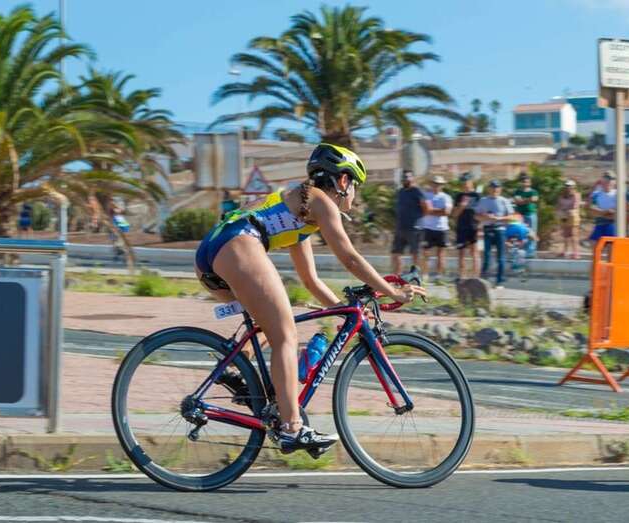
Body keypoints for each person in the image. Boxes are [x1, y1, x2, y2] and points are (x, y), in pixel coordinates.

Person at [194, 143, 425, 455]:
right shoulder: (320, 203)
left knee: (273, 320)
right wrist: (393, 291)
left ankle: (241, 373)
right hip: (237, 244)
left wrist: (341, 311)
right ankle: (292, 427)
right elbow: (351, 259)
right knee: (285, 334)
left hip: (214, 251)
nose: (355, 195)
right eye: (355, 186)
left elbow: (311, 280)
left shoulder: (301, 209)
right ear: (343, 181)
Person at [476, 180, 514, 286]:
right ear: (489, 189)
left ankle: (499, 281)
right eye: (492, 187)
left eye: (497, 187)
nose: (495, 190)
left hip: (500, 230)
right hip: (488, 229)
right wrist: (485, 217)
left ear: (500, 189)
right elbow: (476, 216)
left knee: (500, 257)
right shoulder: (483, 200)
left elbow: (511, 217)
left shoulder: (504, 201)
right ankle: (483, 281)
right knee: (487, 256)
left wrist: (499, 218)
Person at [391, 171, 429, 275]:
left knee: (415, 254)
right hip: (400, 228)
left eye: (408, 177)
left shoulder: (417, 191)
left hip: (414, 228)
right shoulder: (400, 191)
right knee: (396, 253)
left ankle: (417, 277)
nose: (405, 179)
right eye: (403, 177)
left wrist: (417, 219)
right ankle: (397, 277)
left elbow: (426, 208)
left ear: (412, 178)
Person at [420, 175, 453, 280]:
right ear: (431, 184)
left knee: (441, 254)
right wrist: (439, 211)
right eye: (434, 183)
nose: (436, 186)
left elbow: (447, 212)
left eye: (439, 184)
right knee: (426, 252)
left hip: (442, 228)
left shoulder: (446, 197)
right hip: (427, 228)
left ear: (442, 185)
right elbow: (425, 210)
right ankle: (425, 274)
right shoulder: (425, 195)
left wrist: (432, 210)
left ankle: (439, 275)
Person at [452, 172, 481, 280]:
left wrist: (480, 227)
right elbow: (454, 214)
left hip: (473, 227)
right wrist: (461, 206)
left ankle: (476, 277)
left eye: (466, 181)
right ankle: (462, 276)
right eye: (463, 182)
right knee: (461, 253)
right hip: (461, 227)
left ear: (471, 182)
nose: (465, 184)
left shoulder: (477, 196)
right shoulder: (459, 196)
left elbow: (481, 213)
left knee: (474, 252)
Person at [513, 173, 539, 257]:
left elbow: (534, 199)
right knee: (521, 233)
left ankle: (531, 252)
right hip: (520, 216)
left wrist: (522, 200)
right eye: (523, 181)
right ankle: (522, 251)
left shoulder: (534, 191)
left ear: (530, 183)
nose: (525, 183)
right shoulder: (517, 191)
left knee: (531, 233)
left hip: (530, 214)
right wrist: (528, 200)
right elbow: (517, 201)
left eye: (527, 182)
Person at [589, 172, 617, 243]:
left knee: (611, 247)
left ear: (614, 182)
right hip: (600, 223)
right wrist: (604, 212)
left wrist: (603, 213)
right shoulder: (596, 193)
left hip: (612, 224)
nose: (608, 181)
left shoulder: (617, 193)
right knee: (594, 244)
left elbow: (618, 210)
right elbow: (591, 207)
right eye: (606, 178)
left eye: (611, 179)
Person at [556, 180, 581, 259]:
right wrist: (561, 212)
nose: (568, 187)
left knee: (574, 234)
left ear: (574, 187)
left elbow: (575, 206)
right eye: (567, 186)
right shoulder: (562, 196)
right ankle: (565, 251)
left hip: (573, 216)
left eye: (570, 186)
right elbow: (559, 205)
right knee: (566, 234)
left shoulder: (576, 195)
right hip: (564, 216)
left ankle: (576, 253)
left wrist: (565, 210)